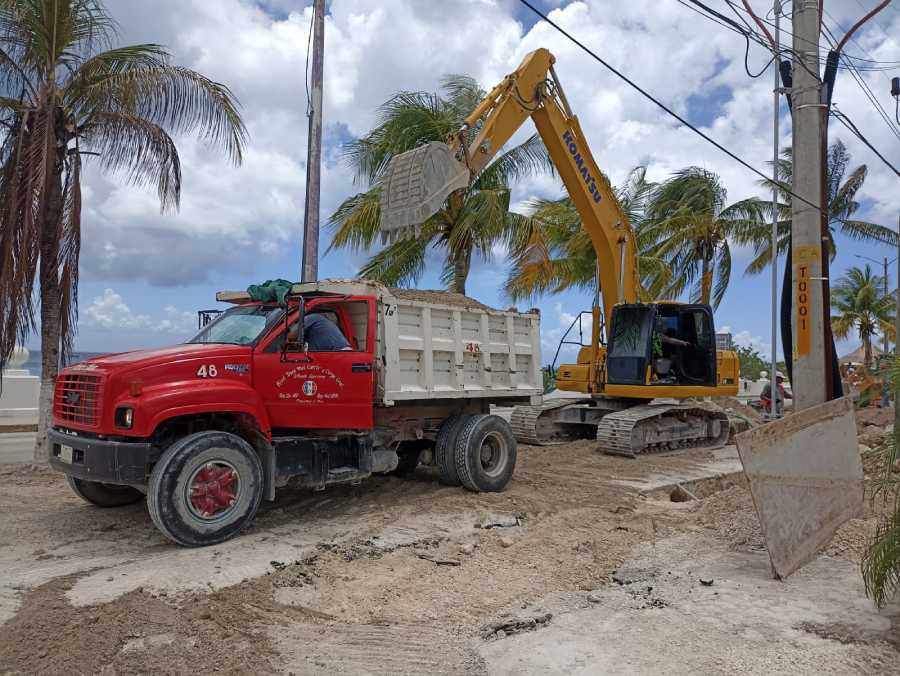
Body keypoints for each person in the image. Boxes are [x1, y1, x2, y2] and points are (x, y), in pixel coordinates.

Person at [287, 313, 352, 351]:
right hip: (339, 353)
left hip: (340, 353)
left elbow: (292, 335)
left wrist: (284, 339)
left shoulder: (309, 318)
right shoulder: (313, 333)